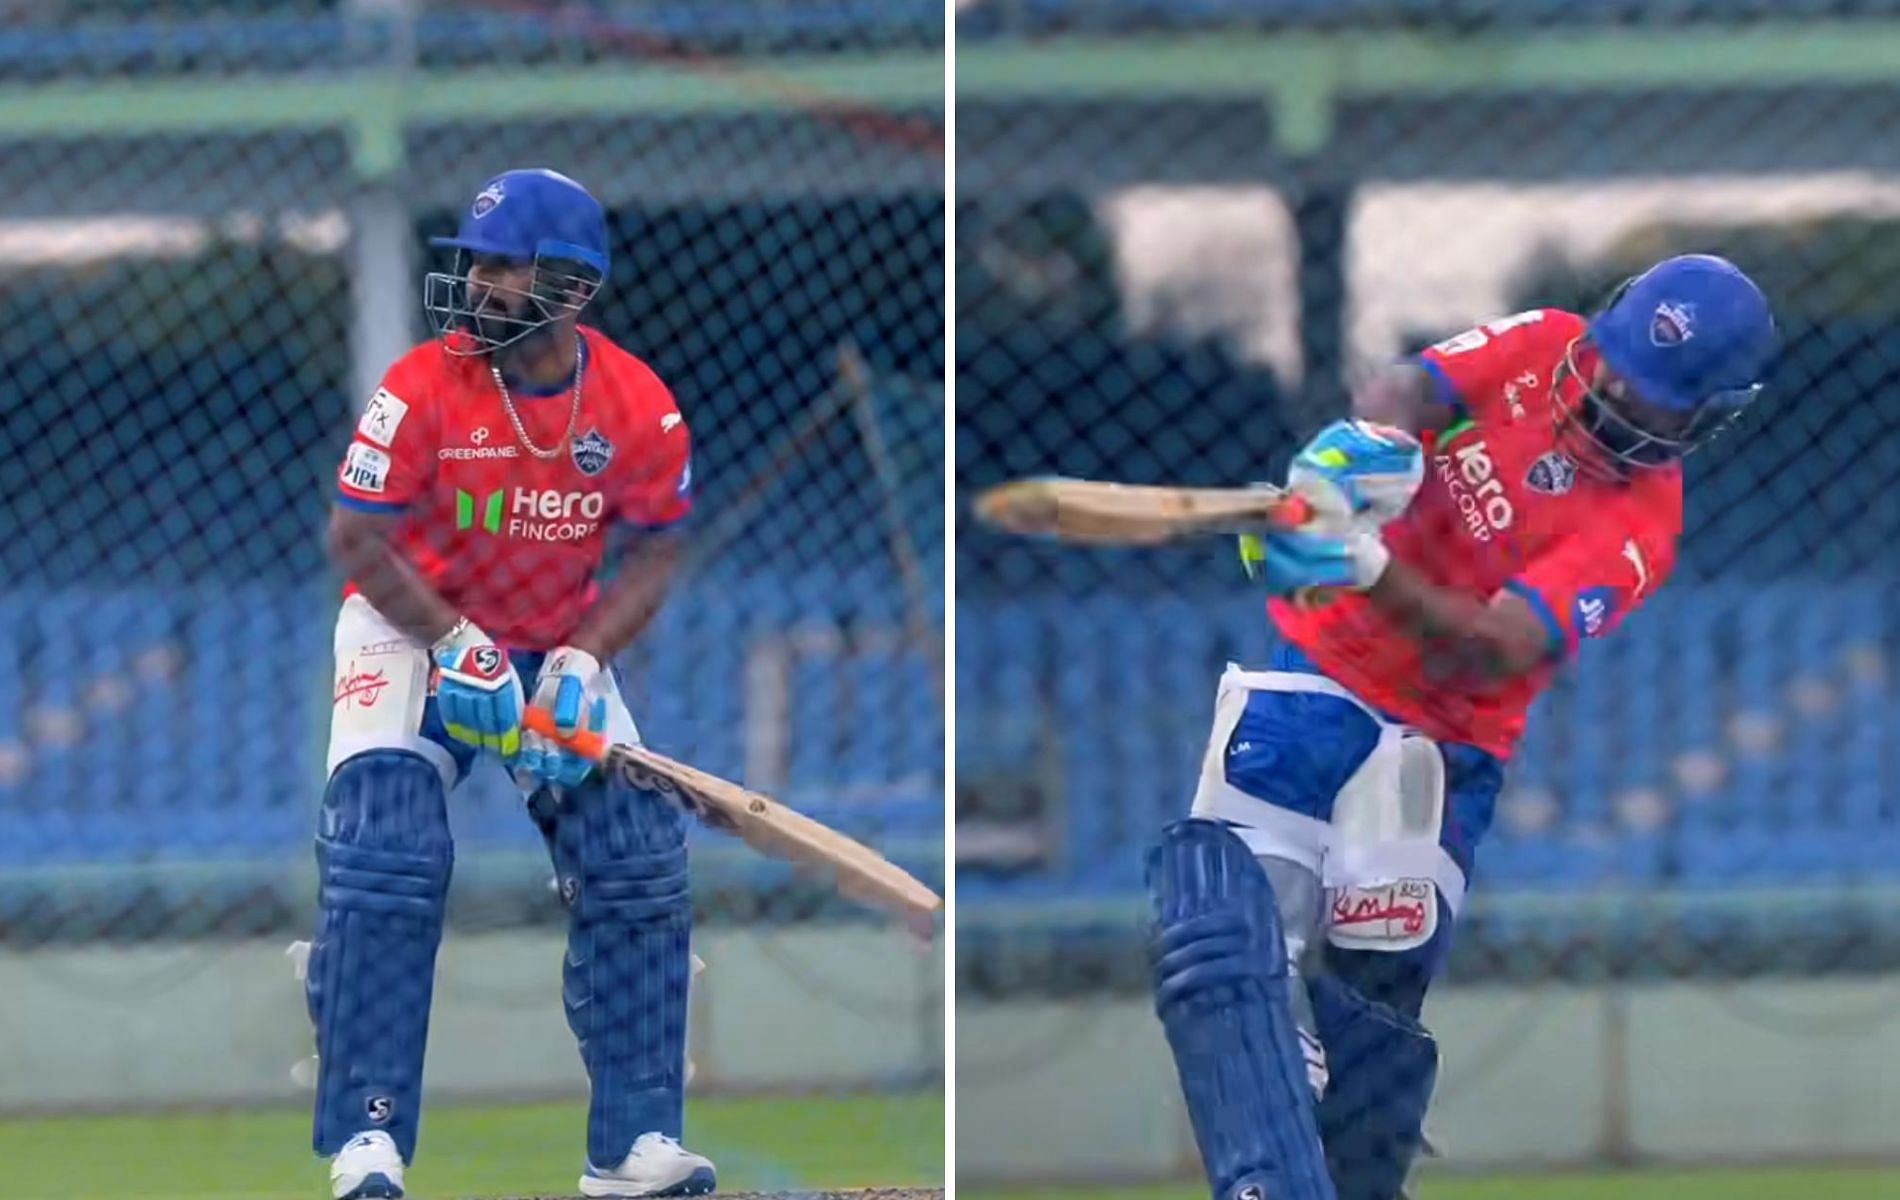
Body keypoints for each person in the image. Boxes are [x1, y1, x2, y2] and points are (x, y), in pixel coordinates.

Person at [1146, 255, 1779, 1200]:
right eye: (1613, 363)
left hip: (1447, 745)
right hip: (1317, 668)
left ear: (1712, 415)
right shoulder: (1543, 343)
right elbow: (1412, 382)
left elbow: (1498, 647)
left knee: (1372, 1005)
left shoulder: (1641, 529)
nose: (1610, 392)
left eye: (1650, 401)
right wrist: (1366, 449)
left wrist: (1366, 564)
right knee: (1222, 945)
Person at [313, 167, 708, 1200]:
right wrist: (454, 643)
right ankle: (367, 1143)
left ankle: (629, 1149)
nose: (478, 283)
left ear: (571, 287)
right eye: (473, 262)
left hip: (554, 642)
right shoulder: (418, 385)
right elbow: (356, 537)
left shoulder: (635, 406)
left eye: (503, 265)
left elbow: (659, 552)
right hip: (411, 627)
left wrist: (583, 658)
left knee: (635, 859)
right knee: (387, 854)